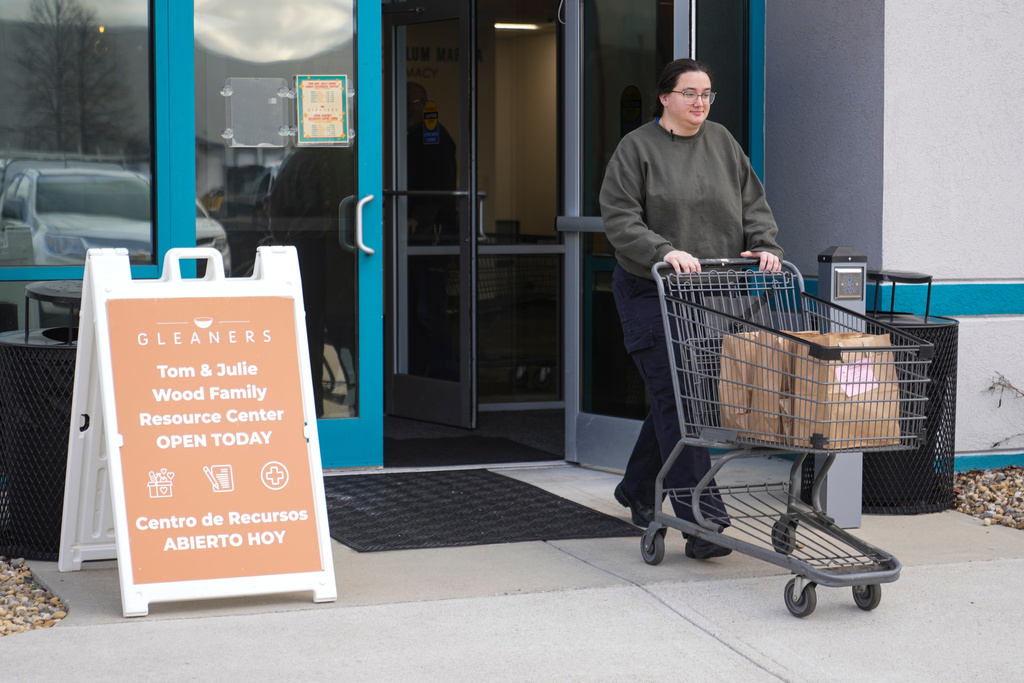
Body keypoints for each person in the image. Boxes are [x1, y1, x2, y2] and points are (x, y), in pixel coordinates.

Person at [600, 58, 784, 560]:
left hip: (710, 297)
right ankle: (703, 523)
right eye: (689, 93)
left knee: (685, 396)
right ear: (665, 98)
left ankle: (638, 488)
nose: (700, 102)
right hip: (650, 292)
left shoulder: (723, 142)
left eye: (707, 93)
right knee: (682, 400)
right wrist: (663, 250)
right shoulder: (637, 149)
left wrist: (765, 244)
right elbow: (619, 218)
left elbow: (753, 204)